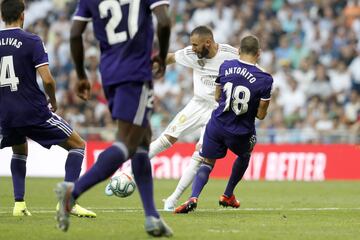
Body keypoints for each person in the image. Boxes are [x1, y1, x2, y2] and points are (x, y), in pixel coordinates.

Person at [55, 0, 172, 237]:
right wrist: (160, 56)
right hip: (136, 74)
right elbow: (165, 21)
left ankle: (152, 216)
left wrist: (80, 74)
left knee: (142, 140)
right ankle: (73, 192)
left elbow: (76, 32)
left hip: (109, 75)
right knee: (127, 143)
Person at [111, 25, 240, 211]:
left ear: (208, 43)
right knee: (166, 138)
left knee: (200, 154)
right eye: (192, 45)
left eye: (196, 45)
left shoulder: (230, 54)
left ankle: (173, 199)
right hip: (197, 105)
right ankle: (127, 172)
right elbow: (169, 57)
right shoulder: (193, 54)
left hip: (218, 111)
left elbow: (251, 69)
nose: (193, 49)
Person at [0, 0, 95, 218]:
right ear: (23, 15)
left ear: (2, 14)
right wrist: (53, 100)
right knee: (78, 145)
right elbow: (48, 79)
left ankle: (19, 204)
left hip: (6, 113)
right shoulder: (32, 40)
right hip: (33, 110)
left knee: (20, 150)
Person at [174, 35, 273, 213]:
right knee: (245, 155)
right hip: (241, 131)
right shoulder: (265, 79)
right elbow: (261, 115)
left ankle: (193, 197)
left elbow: (218, 96)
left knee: (207, 162)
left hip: (217, 125)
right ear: (259, 53)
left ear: (239, 51)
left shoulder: (226, 66)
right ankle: (227, 195)